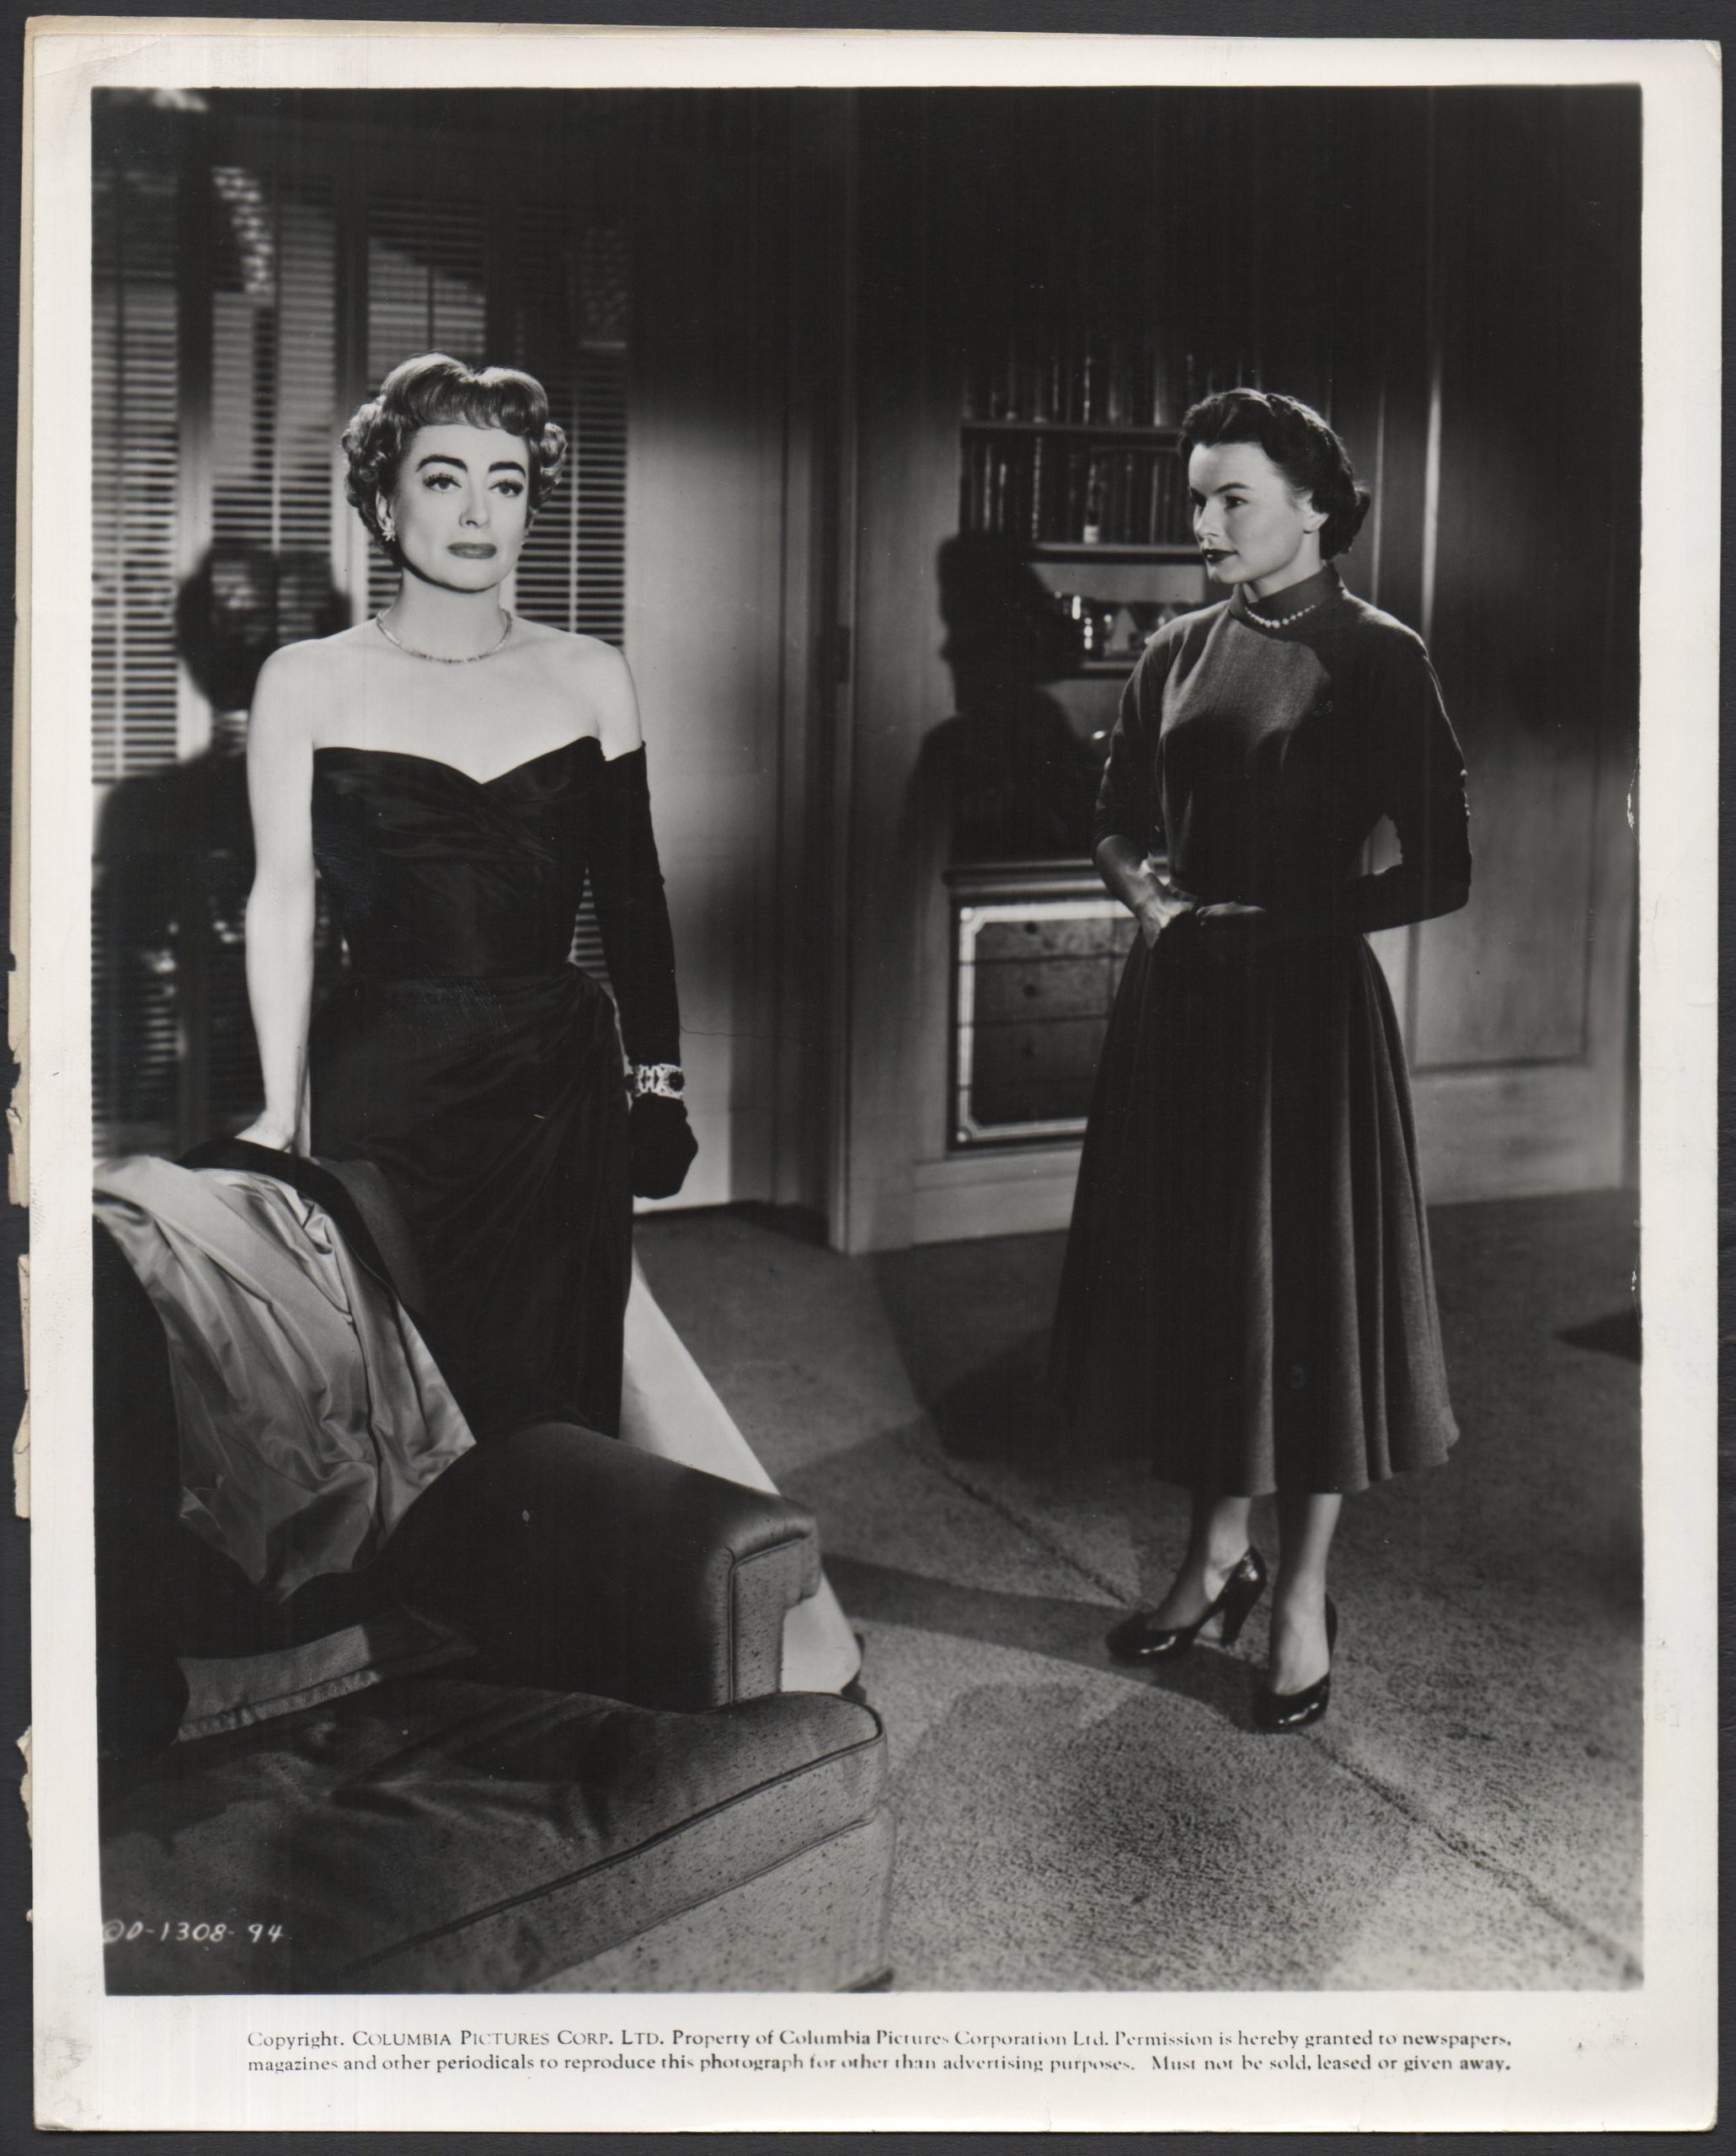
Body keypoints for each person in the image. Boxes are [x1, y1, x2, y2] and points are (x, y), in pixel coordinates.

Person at [1050, 389, 1471, 1732]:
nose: (1205, 522)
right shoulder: (1176, 649)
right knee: (1205, 1290)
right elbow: (1115, 820)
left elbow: (1442, 869)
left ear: (1313, 506)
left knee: (1306, 1304)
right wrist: (1154, 907)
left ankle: (1298, 1595)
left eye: (1231, 497)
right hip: (1182, 1005)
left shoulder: (1378, 655)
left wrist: (1281, 923)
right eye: (1196, 499)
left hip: (1302, 1019)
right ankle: (1210, 1558)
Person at [238, 352, 695, 1443]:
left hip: (555, 1085)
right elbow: (282, 901)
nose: (479, 512)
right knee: (400, 1398)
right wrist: (278, 1106)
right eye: (443, 479)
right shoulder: (304, 679)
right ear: (382, 502)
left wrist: (659, 1084)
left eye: (507, 482)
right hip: (385, 1076)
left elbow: (633, 901)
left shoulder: (591, 674)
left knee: (553, 1392)